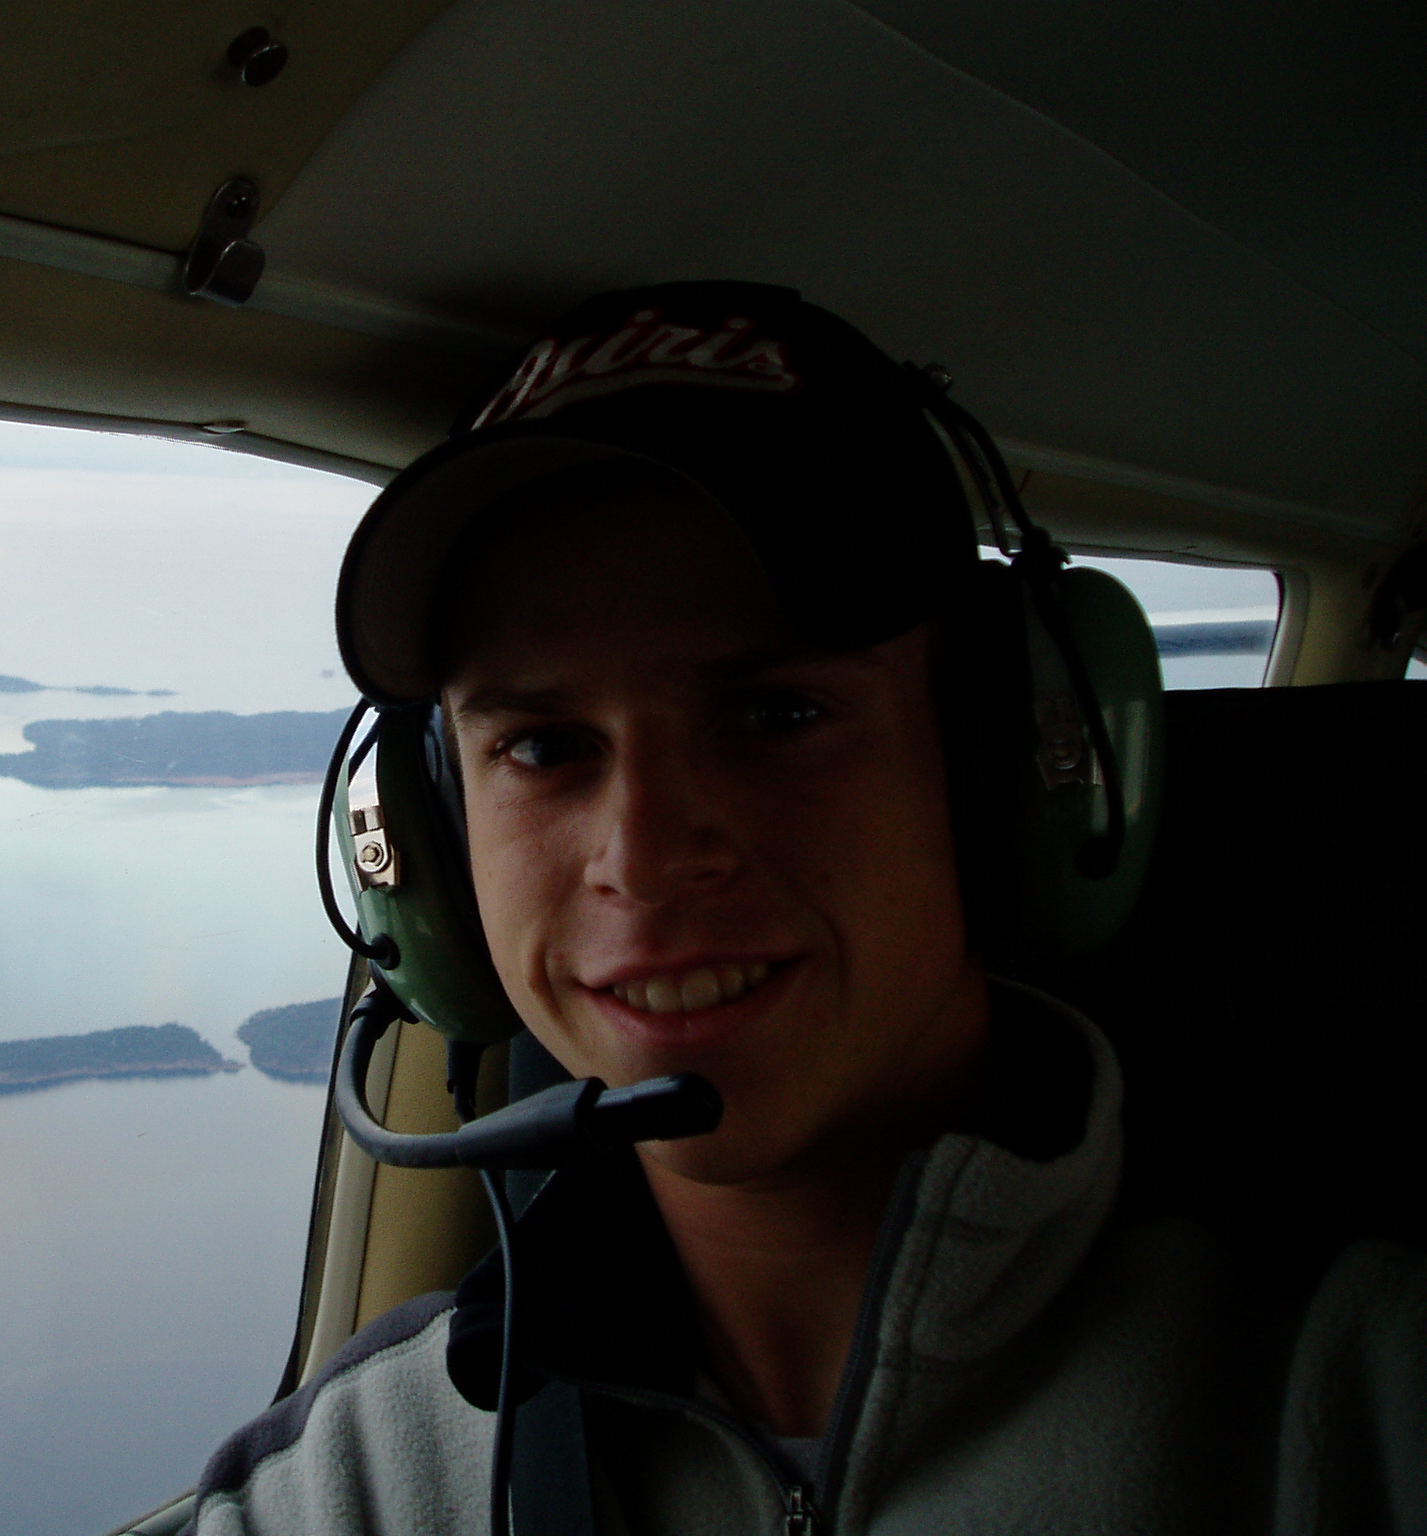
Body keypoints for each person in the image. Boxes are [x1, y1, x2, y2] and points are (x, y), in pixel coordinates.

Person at [185, 283, 1427, 1534]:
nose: (646, 857)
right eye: (546, 746)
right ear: (427, 840)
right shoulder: (363, 1479)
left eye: (777, 715)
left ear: (1004, 769)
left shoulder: (1352, 1402)